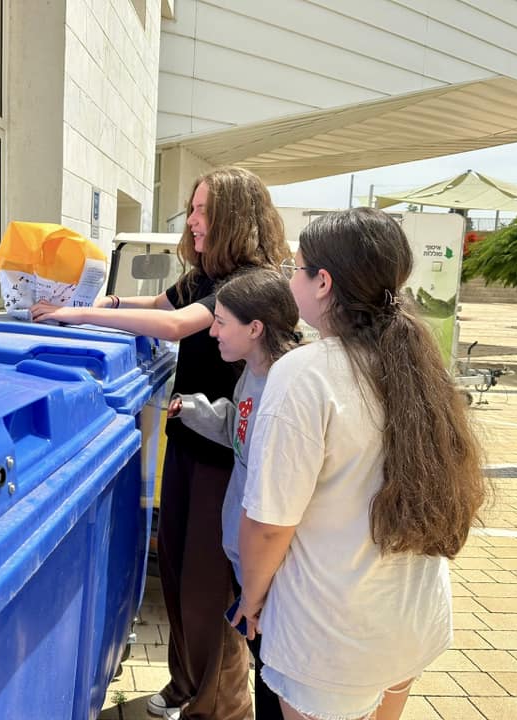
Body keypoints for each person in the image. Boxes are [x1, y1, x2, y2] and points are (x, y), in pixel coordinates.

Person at [31, 167, 290, 720]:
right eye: (192, 209)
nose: (192, 221)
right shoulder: (203, 274)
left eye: (202, 211)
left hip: (225, 455)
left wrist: (73, 315)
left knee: (206, 588)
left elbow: (177, 328)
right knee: (173, 570)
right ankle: (183, 686)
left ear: (233, 219)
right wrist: (112, 301)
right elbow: (163, 306)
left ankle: (218, 707)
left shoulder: (245, 281)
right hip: (189, 437)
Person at [232, 208, 488, 720]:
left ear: (322, 282)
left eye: (296, 268)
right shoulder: (417, 360)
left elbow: (267, 524)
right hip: (409, 618)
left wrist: (251, 600)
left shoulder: (304, 373)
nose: (290, 278)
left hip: (333, 635)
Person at [167, 267, 298, 720]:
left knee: (276, 682)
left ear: (255, 328)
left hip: (273, 578)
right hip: (254, 571)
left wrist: (255, 595)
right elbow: (237, 430)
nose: (213, 331)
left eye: (221, 321)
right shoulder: (251, 377)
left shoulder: (283, 389)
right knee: (267, 674)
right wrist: (191, 409)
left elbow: (276, 505)